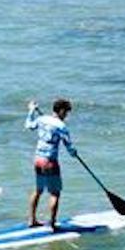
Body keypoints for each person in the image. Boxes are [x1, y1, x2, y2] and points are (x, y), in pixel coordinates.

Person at [26, 96, 77, 227]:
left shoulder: (42, 119)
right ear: (60, 111)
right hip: (50, 162)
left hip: (37, 160)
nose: (66, 115)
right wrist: (74, 153)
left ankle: (32, 220)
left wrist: (31, 110)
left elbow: (29, 125)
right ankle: (52, 224)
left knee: (38, 190)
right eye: (66, 112)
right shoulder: (61, 126)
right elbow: (69, 147)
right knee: (55, 193)